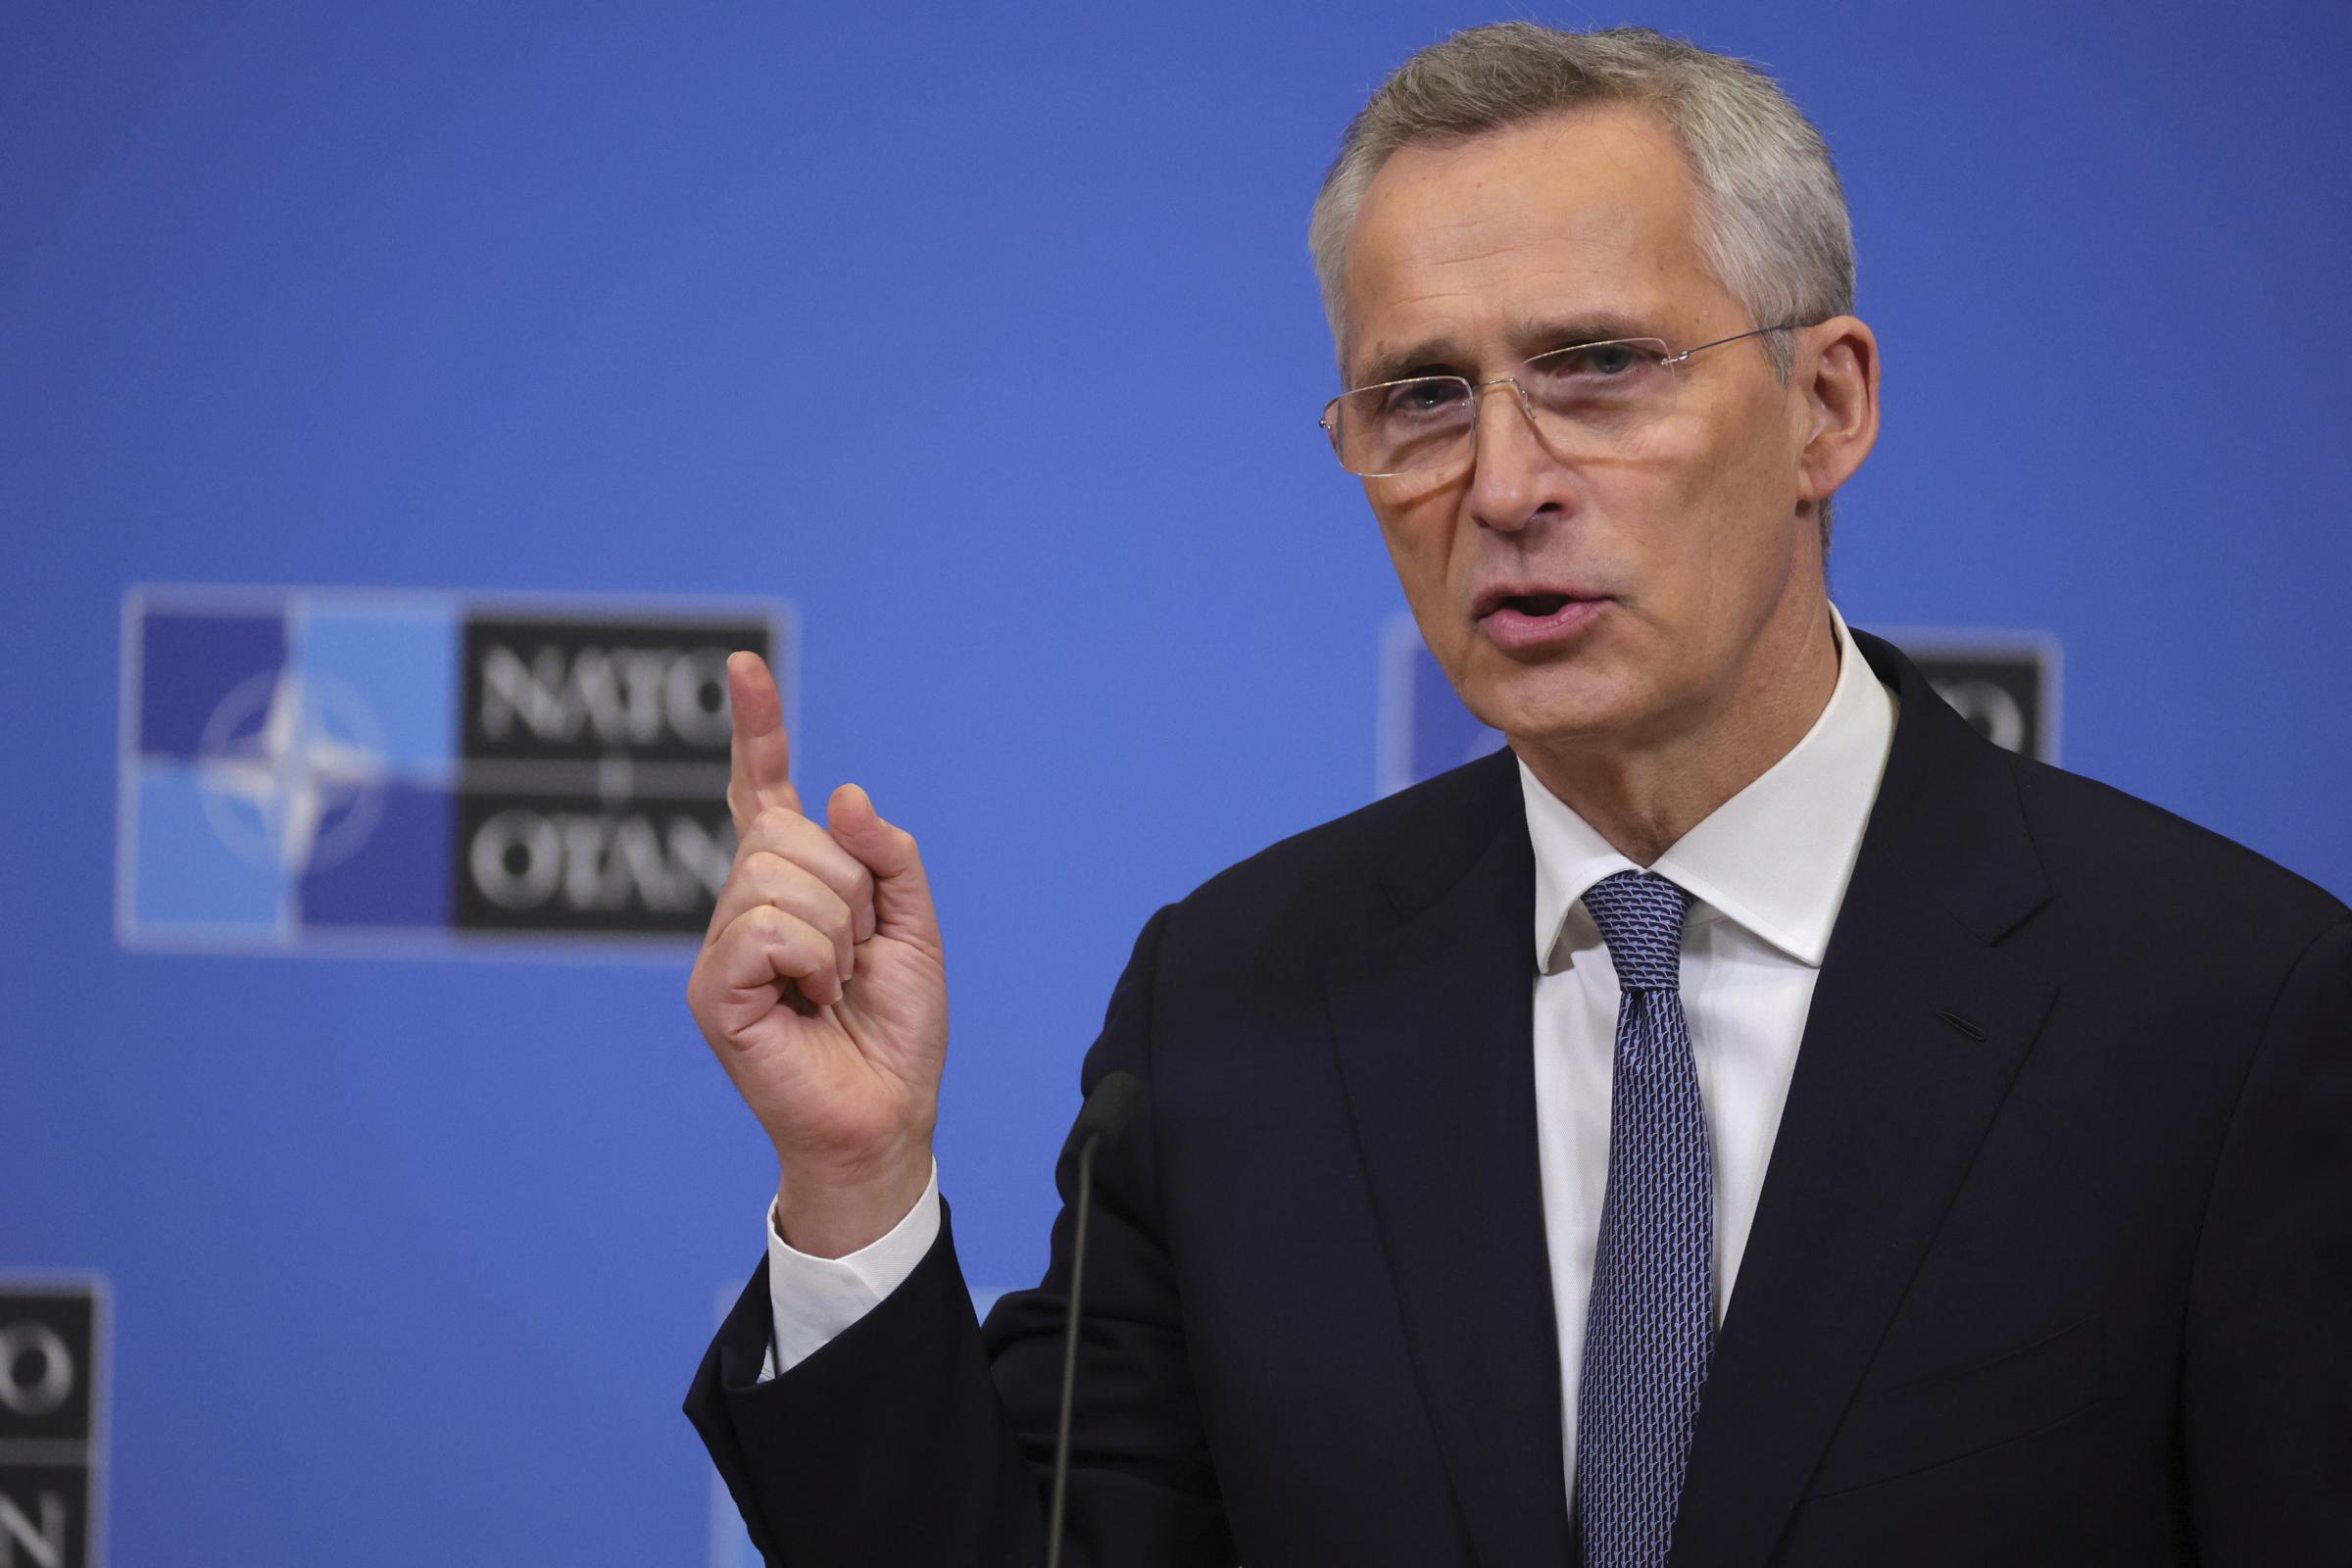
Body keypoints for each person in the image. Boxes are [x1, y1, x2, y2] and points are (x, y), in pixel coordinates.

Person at [682, 23, 2351, 1566]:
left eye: (1599, 366)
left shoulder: (2228, 1012)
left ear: (1824, 408)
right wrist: (858, 1180)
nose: (1503, 483)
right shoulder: (1238, 1002)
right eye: (1422, 397)